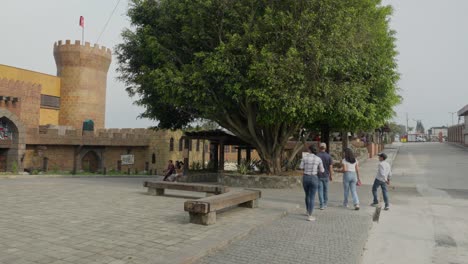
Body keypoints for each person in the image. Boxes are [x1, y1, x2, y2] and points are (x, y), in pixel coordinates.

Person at [300, 144, 324, 221]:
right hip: (314, 177)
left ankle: (307, 211)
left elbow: (301, 167)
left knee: (307, 195)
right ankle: (310, 215)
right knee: (312, 197)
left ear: (309, 150)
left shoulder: (305, 158)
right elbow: (322, 170)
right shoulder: (318, 159)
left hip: (306, 177)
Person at [317, 143, 333, 210]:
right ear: (325, 148)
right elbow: (330, 167)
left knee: (320, 190)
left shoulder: (317, 156)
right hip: (326, 175)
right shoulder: (328, 156)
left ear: (319, 148)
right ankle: (325, 203)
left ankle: (321, 205)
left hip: (319, 175)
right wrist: (331, 175)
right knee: (325, 190)